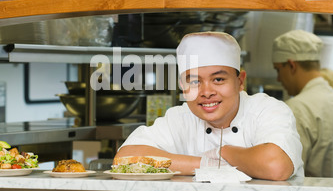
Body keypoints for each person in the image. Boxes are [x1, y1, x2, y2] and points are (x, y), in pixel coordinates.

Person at [115, 31, 304, 180]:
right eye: (195, 82)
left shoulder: (266, 110)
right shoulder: (180, 118)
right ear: (183, 86)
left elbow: (276, 166)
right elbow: (125, 158)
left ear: (240, 81)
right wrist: (208, 164)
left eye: (218, 79)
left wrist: (225, 152)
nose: (206, 92)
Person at [272, 29, 333, 177]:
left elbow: (288, 172)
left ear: (291, 65)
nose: (278, 79)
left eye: (278, 70)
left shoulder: (297, 109)